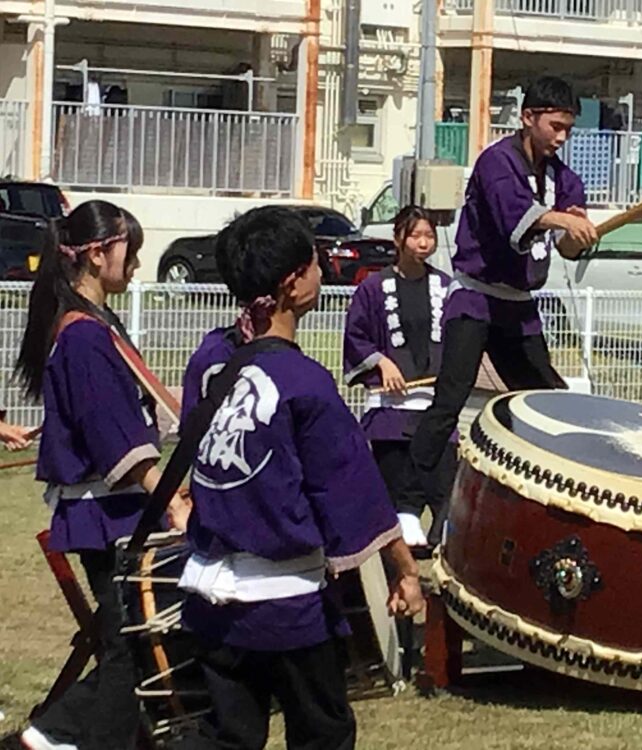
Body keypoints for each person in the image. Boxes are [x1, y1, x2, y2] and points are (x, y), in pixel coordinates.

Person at [177, 205, 424, 750]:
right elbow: (352, 494)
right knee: (323, 735)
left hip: (208, 597)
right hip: (285, 605)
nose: (320, 273)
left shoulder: (210, 361)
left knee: (230, 737)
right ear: (293, 283)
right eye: (314, 264)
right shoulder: (304, 383)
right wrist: (405, 572)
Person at [16, 200, 189, 750]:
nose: (136, 263)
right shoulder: (84, 335)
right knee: (130, 646)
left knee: (134, 641)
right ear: (96, 254)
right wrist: (169, 497)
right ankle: (59, 735)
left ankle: (53, 735)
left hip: (113, 510)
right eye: (129, 251)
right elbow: (113, 433)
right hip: (108, 513)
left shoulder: (91, 325)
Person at [409, 75, 598, 483]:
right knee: (450, 399)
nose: (563, 137)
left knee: (547, 400)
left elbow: (565, 247)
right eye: (556, 126)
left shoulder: (562, 178)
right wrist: (562, 218)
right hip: (475, 300)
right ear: (529, 117)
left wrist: (578, 233)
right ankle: (406, 500)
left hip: (518, 306)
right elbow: (515, 217)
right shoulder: (496, 163)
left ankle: (542, 481)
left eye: (568, 128)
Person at [343, 206, 456, 547]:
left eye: (429, 236)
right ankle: (402, 539)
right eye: (415, 235)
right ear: (398, 239)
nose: (423, 243)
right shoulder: (374, 288)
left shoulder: (445, 287)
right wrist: (381, 363)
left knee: (444, 481)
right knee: (398, 481)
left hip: (435, 404)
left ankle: (442, 541)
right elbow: (356, 335)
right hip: (391, 406)